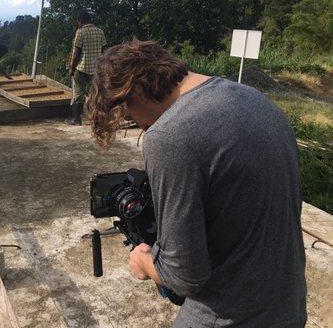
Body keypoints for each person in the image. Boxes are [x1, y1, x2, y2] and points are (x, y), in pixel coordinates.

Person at [87, 40, 307, 327]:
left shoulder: (168, 136)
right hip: (288, 308)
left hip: (230, 317)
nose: (140, 126)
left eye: (128, 115)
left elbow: (184, 276)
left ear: (134, 90)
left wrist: (144, 261)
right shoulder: (255, 99)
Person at [67, 11, 106, 125]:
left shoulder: (80, 32)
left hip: (81, 68)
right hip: (96, 69)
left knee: (78, 94)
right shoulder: (100, 32)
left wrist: (72, 68)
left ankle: (76, 119)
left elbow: (77, 52)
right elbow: (104, 50)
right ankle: (97, 120)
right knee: (96, 94)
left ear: (80, 21)